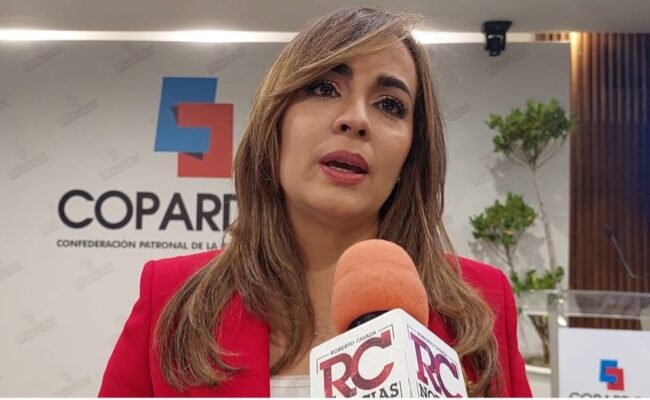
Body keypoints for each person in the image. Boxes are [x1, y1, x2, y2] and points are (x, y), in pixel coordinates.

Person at [99, 7, 532, 398]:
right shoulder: (171, 296)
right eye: (324, 88)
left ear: (410, 154)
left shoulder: (483, 303)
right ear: (275, 125)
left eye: (389, 105)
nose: (356, 119)